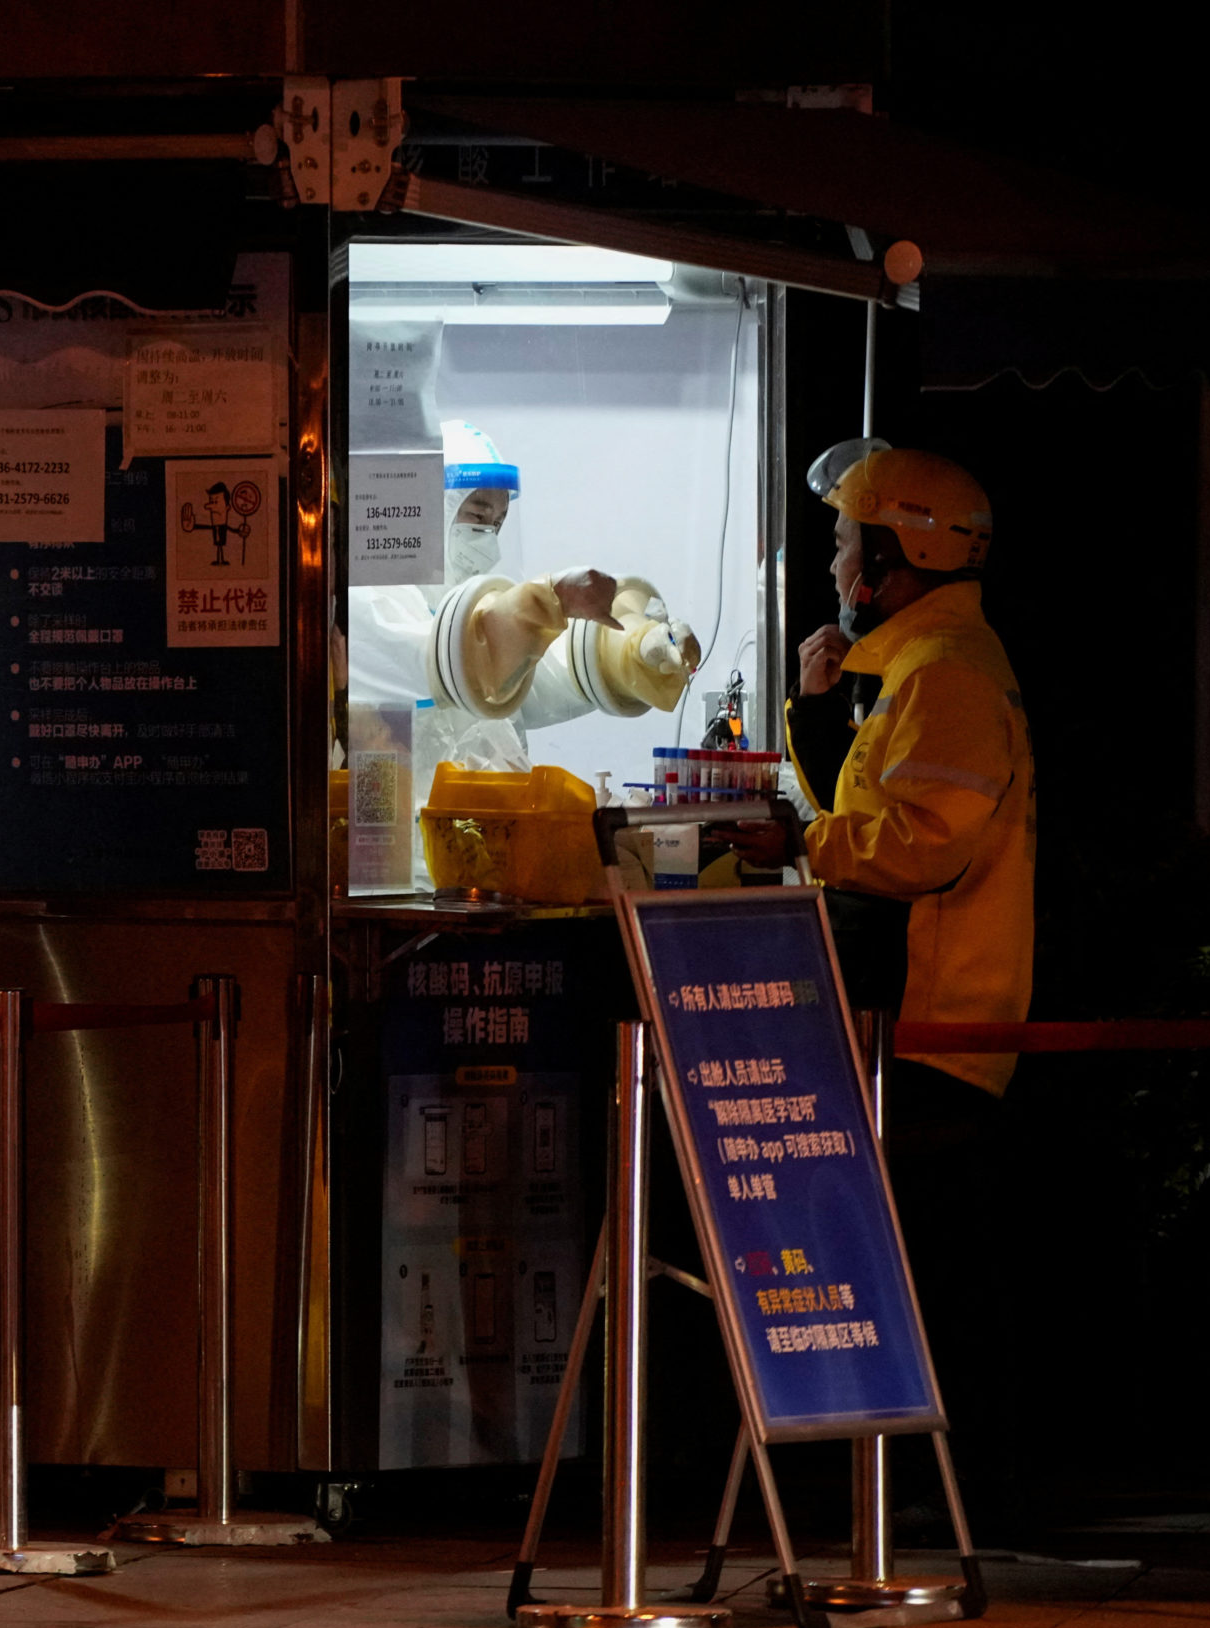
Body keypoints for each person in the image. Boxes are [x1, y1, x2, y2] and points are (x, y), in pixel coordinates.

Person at [728, 440, 1034, 1518]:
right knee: (917, 1266)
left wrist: (797, 849)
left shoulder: (944, 674)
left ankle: (945, 1499)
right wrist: (817, 719)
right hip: (910, 1025)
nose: (832, 566)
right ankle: (914, 1495)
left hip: (933, 1026)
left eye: (843, 542)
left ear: (891, 560)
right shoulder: (914, 667)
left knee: (929, 1275)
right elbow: (863, 821)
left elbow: (916, 851)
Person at [347, 420, 703, 875]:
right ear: (425, 511)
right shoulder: (372, 599)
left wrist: (630, 655)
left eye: (497, 523)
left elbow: (523, 684)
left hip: (483, 858)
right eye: (476, 517)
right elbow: (457, 664)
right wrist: (544, 601)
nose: (488, 542)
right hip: (397, 866)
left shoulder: (463, 611)